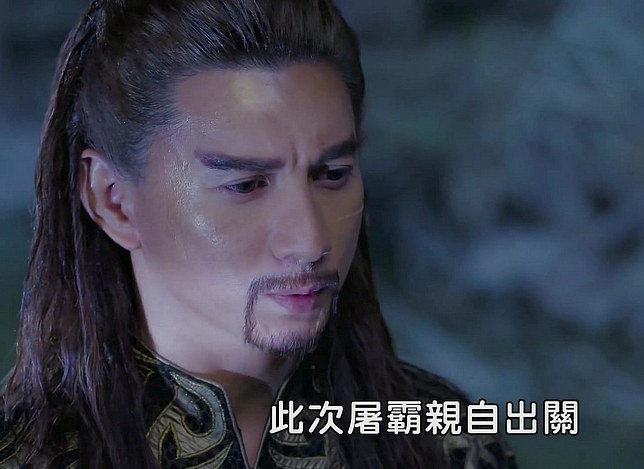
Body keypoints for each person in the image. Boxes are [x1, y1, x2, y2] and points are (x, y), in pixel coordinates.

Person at [0, 0, 517, 467]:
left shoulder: (446, 444)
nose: (311, 242)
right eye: (245, 185)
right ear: (113, 200)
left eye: (332, 175)